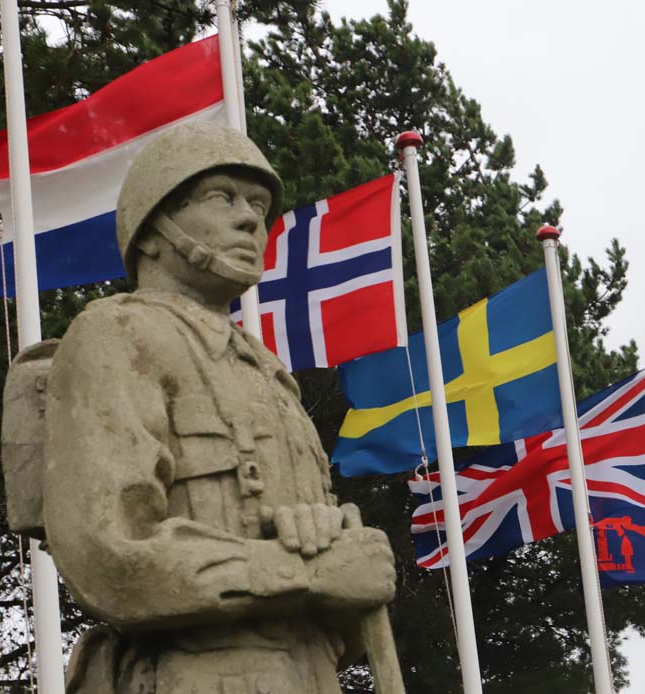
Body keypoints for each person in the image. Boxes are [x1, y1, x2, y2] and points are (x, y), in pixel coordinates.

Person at [40, 122, 398, 694]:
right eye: (220, 198)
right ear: (154, 229)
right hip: (200, 673)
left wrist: (347, 556)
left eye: (258, 205)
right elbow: (109, 556)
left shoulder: (271, 377)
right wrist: (302, 572)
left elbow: (334, 606)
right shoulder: (120, 334)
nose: (251, 219)